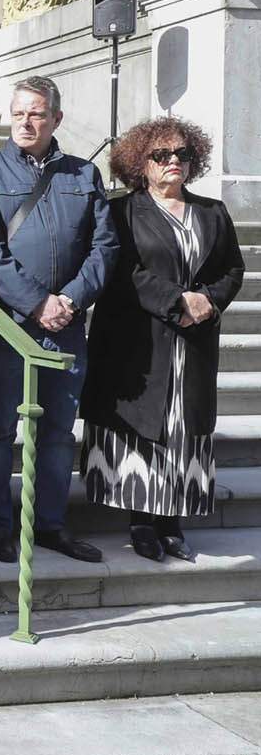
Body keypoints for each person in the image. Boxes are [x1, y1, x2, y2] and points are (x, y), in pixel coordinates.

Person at [0, 75, 119, 564]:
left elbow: (105, 245)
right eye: (19, 113)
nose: (26, 122)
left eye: (36, 113)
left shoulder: (83, 174)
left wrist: (71, 300)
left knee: (58, 430)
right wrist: (36, 303)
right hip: (12, 323)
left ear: (57, 118)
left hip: (68, 323)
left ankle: (50, 524)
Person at [81, 118, 246, 562]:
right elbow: (122, 273)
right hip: (138, 341)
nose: (173, 161)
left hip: (191, 343)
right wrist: (178, 301)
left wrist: (208, 301)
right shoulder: (122, 211)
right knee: (142, 425)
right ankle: (140, 521)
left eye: (182, 154)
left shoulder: (212, 211)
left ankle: (172, 522)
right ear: (140, 161)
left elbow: (232, 269)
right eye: (161, 155)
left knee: (181, 425)